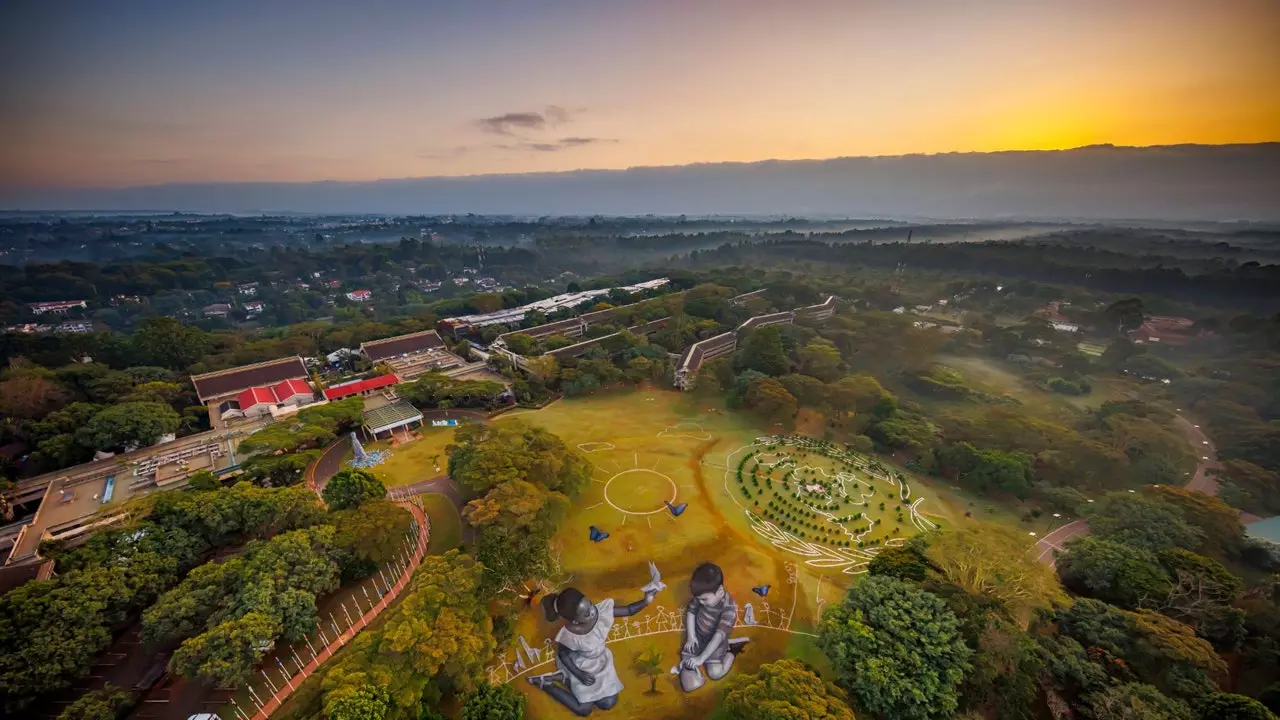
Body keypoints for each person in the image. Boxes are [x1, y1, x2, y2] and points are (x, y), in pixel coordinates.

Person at [528, 585, 657, 716]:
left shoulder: (601, 613)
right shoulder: (569, 635)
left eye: (590, 604)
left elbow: (629, 610)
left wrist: (646, 601)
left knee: (608, 703)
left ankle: (562, 678)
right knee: (584, 710)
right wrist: (579, 674)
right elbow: (563, 655)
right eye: (586, 614)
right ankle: (547, 683)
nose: (592, 611)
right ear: (575, 621)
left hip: (601, 662)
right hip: (580, 666)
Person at [679, 562, 748, 692]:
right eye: (699, 599)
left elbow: (718, 636)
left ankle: (732, 650)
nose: (701, 602)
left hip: (716, 643)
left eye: (704, 599)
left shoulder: (729, 609)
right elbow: (691, 612)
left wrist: (701, 658)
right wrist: (691, 637)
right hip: (698, 638)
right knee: (689, 684)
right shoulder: (701, 597)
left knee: (715, 674)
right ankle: (725, 646)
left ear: (720, 591)